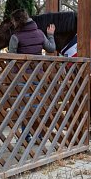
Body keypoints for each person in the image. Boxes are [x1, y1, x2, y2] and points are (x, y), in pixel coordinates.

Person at [8, 9, 56, 143]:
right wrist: (50, 35)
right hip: (38, 77)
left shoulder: (15, 37)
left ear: (17, 21)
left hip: (23, 78)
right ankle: (38, 135)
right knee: (37, 105)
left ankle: (25, 136)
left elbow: (11, 58)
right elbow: (51, 48)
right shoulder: (40, 33)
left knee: (25, 106)